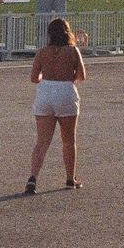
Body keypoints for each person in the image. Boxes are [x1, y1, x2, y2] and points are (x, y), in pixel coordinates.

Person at [25, 18, 87, 194]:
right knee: (68, 140)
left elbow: (33, 78)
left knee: (42, 141)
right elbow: (82, 75)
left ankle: (32, 178)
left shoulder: (42, 52)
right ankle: (70, 178)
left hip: (45, 92)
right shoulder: (72, 51)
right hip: (65, 91)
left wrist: (46, 78)